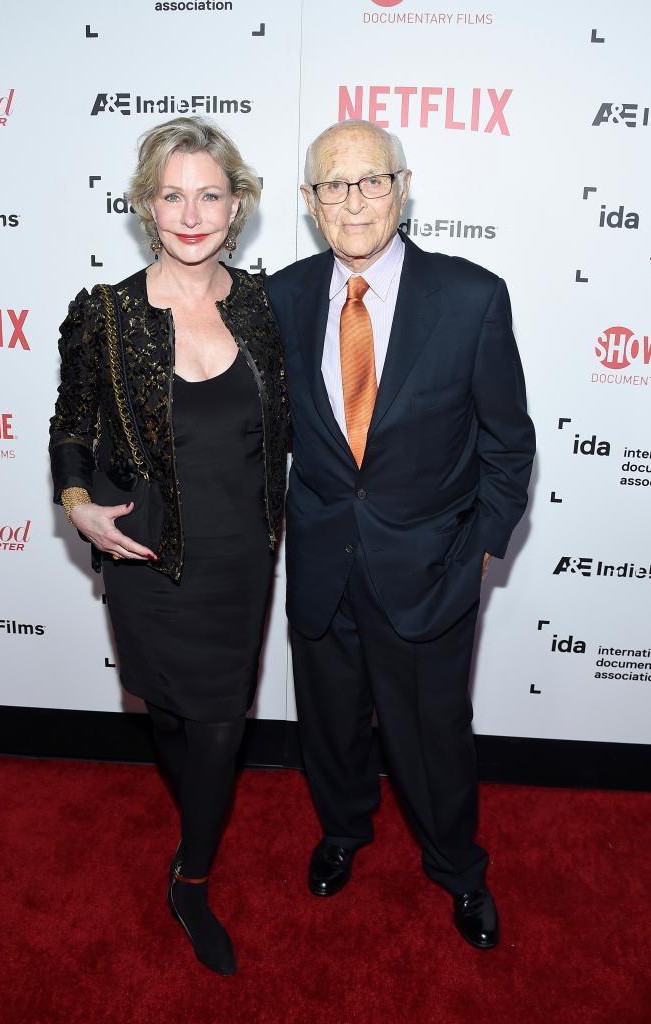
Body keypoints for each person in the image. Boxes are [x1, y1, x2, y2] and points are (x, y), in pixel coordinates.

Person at [265, 119, 535, 950]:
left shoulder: (472, 296)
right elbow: (260, 432)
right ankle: (344, 831)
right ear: (310, 203)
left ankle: (458, 868)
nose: (353, 202)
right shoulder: (280, 297)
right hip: (321, 562)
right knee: (331, 723)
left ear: (404, 186)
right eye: (332, 186)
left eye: (370, 181)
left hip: (430, 572)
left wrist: (479, 552)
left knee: (432, 738)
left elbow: (507, 445)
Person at [49, 116, 288, 976]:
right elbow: (70, 429)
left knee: (223, 720)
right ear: (148, 204)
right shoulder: (106, 314)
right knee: (172, 714)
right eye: (173, 194)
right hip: (145, 555)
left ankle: (190, 875)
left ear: (238, 204)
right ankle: (193, 822)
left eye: (210, 194)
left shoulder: (265, 308)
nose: (192, 213)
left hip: (241, 560)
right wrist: (77, 502)